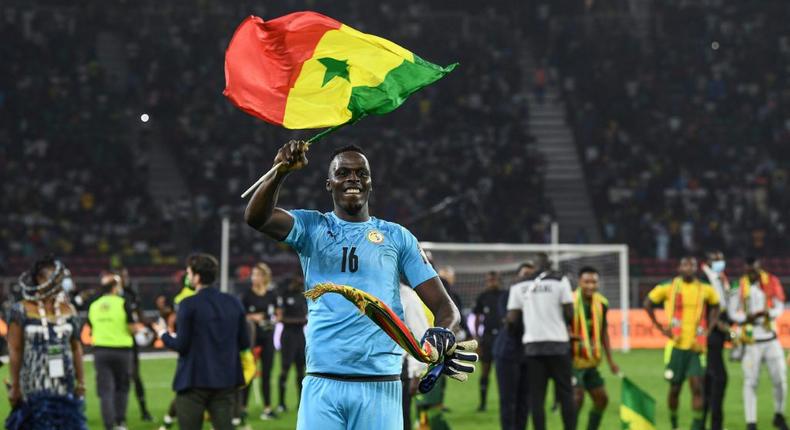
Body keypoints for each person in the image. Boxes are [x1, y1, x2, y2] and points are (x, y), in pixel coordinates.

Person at [244, 141, 469, 430]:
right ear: (329, 184)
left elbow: (445, 307)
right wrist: (280, 173)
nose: (353, 179)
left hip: (380, 384)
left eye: (361, 173)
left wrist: (442, 333)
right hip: (323, 383)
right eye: (344, 173)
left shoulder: (397, 237)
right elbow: (255, 218)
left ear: (370, 183)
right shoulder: (311, 228)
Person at [153, 253, 251, 430]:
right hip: (225, 380)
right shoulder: (234, 302)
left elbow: (181, 345)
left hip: (194, 381)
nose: (188, 277)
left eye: (189, 273)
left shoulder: (188, 304)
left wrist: (162, 334)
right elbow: (244, 343)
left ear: (197, 277)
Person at [6, 256, 87, 430]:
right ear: (42, 280)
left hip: (64, 384)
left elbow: (76, 347)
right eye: (57, 279)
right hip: (32, 386)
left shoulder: (68, 309)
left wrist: (81, 382)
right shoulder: (21, 310)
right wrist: (15, 385)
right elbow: (15, 349)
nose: (62, 283)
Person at [644, 256, 720, 430]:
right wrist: (660, 327)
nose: (689, 268)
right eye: (685, 264)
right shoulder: (668, 287)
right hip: (676, 346)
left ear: (696, 268)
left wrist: (709, 328)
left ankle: (696, 426)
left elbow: (716, 305)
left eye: (692, 265)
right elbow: (648, 302)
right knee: (675, 389)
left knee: (697, 387)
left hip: (696, 347)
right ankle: (674, 423)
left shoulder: (705, 289)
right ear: (679, 268)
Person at [506, 257, 576, 430]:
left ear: (534, 267)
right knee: (566, 394)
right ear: (550, 265)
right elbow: (570, 312)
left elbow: (512, 320)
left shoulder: (518, 285)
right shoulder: (560, 281)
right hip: (558, 344)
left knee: (537, 398)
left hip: (533, 347)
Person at [728, 257, 788, 430]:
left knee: (780, 381)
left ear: (759, 268)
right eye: (748, 271)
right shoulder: (738, 286)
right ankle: (751, 422)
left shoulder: (771, 281)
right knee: (750, 382)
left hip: (771, 339)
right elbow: (733, 313)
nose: (750, 274)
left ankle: (779, 414)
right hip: (751, 341)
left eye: (753, 271)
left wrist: (769, 314)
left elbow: (779, 305)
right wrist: (747, 318)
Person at [570, 266, 619, 430]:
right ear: (579, 282)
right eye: (587, 282)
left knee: (602, 400)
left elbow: (603, 331)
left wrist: (611, 360)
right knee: (577, 398)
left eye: (594, 282)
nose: (591, 285)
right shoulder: (569, 301)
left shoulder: (602, 303)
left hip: (591, 361)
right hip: (572, 359)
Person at [89, 273, 136, 430]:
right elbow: (132, 328)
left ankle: (109, 426)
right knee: (122, 388)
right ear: (115, 288)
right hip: (122, 351)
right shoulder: (123, 303)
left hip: (101, 351)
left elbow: (90, 327)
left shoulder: (94, 305)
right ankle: (120, 423)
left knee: (105, 391)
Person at [495, 261, 535, 430]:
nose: (528, 278)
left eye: (531, 275)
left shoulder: (538, 298)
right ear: (517, 277)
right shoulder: (507, 295)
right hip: (507, 353)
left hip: (529, 354)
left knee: (525, 400)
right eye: (525, 274)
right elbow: (510, 322)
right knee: (509, 400)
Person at [156, 272, 196, 430]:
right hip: (197, 348)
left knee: (184, 387)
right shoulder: (192, 297)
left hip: (187, 347)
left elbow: (173, 320)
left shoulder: (180, 298)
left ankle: (167, 421)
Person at [240, 262, 278, 420]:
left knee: (267, 374)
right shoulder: (247, 295)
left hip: (268, 337)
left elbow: (276, 314)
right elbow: (240, 316)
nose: (253, 277)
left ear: (264, 277)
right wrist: (252, 317)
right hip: (252, 339)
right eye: (252, 274)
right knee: (249, 373)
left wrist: (273, 320)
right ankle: (243, 407)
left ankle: (267, 408)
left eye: (256, 274)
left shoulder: (271, 295)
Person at [699, 251, 731, 430]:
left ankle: (704, 424)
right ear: (709, 262)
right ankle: (715, 425)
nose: (720, 263)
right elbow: (707, 310)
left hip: (716, 335)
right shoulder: (704, 281)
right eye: (716, 260)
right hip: (710, 336)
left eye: (721, 259)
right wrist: (723, 327)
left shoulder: (719, 279)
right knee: (718, 378)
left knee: (709, 381)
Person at [118, 267, 153, 422]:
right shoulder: (109, 296)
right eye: (122, 276)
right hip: (115, 342)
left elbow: (139, 313)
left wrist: (146, 326)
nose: (126, 279)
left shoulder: (131, 294)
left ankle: (144, 411)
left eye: (126, 276)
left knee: (135, 377)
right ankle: (119, 416)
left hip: (130, 342)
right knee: (119, 379)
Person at [399, 282, 431, 430]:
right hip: (364, 372)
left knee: (399, 420)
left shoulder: (407, 296)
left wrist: (416, 373)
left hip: (397, 371)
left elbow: (421, 337)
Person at [276, 274, 308, 413]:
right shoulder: (284, 296)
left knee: (301, 371)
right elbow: (281, 318)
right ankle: (281, 403)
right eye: (296, 281)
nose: (298, 283)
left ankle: (300, 403)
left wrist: (294, 320)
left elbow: (305, 318)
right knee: (284, 370)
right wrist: (297, 320)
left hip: (300, 337)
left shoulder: (303, 297)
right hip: (288, 337)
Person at [472, 271, 503, 412]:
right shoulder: (482, 297)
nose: (492, 282)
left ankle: (505, 401)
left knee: (502, 372)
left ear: (499, 281)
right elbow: (477, 317)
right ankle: (482, 403)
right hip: (488, 338)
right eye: (489, 280)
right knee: (485, 371)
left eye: (494, 280)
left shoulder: (505, 295)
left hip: (503, 337)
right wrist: (477, 337)